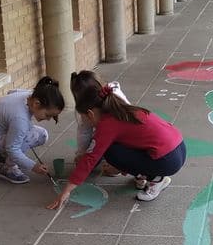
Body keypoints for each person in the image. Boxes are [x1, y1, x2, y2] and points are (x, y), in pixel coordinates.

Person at [46, 82, 186, 208]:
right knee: (115, 147)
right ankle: (147, 174)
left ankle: (156, 179)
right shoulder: (122, 110)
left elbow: (91, 158)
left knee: (111, 152)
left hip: (168, 160)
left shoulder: (107, 125)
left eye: (85, 119)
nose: (87, 123)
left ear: (90, 114)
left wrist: (66, 191)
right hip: (178, 148)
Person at [0, 77, 64, 184]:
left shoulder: (29, 95)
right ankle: (8, 169)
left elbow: (11, 92)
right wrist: (33, 166)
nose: (48, 119)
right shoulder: (20, 119)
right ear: (36, 104)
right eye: (48, 115)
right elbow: (13, 149)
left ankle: (2, 156)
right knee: (26, 134)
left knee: (42, 135)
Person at [69, 70, 136, 182]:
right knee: (90, 160)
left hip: (127, 139)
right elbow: (84, 131)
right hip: (110, 136)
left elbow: (128, 133)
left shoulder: (116, 100)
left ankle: (121, 165)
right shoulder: (87, 108)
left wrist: (119, 166)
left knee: (111, 151)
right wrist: (82, 154)